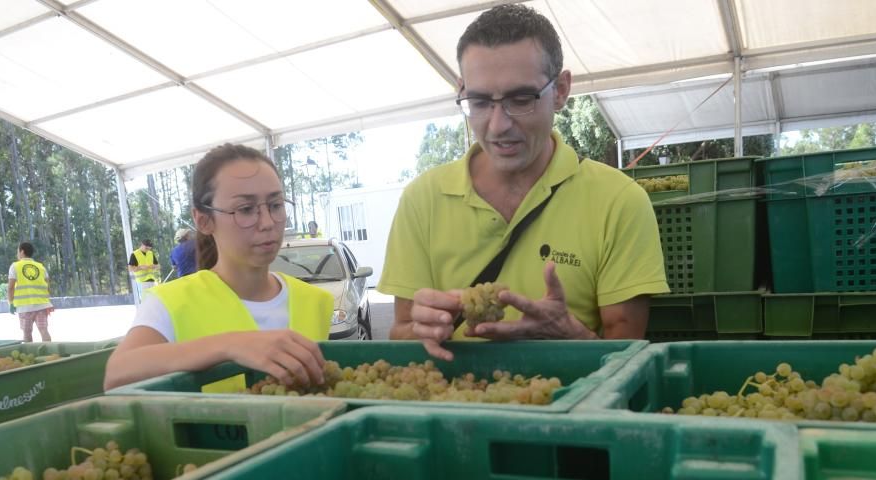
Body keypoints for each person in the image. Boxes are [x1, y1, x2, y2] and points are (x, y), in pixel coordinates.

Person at [378, 3, 669, 360]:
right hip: (455, 412)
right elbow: (401, 332)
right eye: (480, 101)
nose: (498, 125)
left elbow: (628, 358)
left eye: (521, 99)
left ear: (561, 90)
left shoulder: (619, 201)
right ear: (462, 89)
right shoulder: (422, 199)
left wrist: (569, 334)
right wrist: (425, 329)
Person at [104, 143, 333, 391]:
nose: (267, 222)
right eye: (245, 210)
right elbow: (118, 373)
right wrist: (231, 345)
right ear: (203, 220)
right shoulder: (171, 303)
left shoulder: (315, 301)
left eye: (275, 205)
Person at [7, 242, 53, 342]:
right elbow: (48, 287)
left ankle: (29, 356)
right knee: (44, 330)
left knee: (27, 333)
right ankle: (51, 354)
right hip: (42, 305)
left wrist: (11, 303)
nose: (17, 254)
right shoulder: (41, 267)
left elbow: (10, 288)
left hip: (24, 307)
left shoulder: (15, 266)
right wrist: (47, 302)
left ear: (22, 251)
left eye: (17, 251)